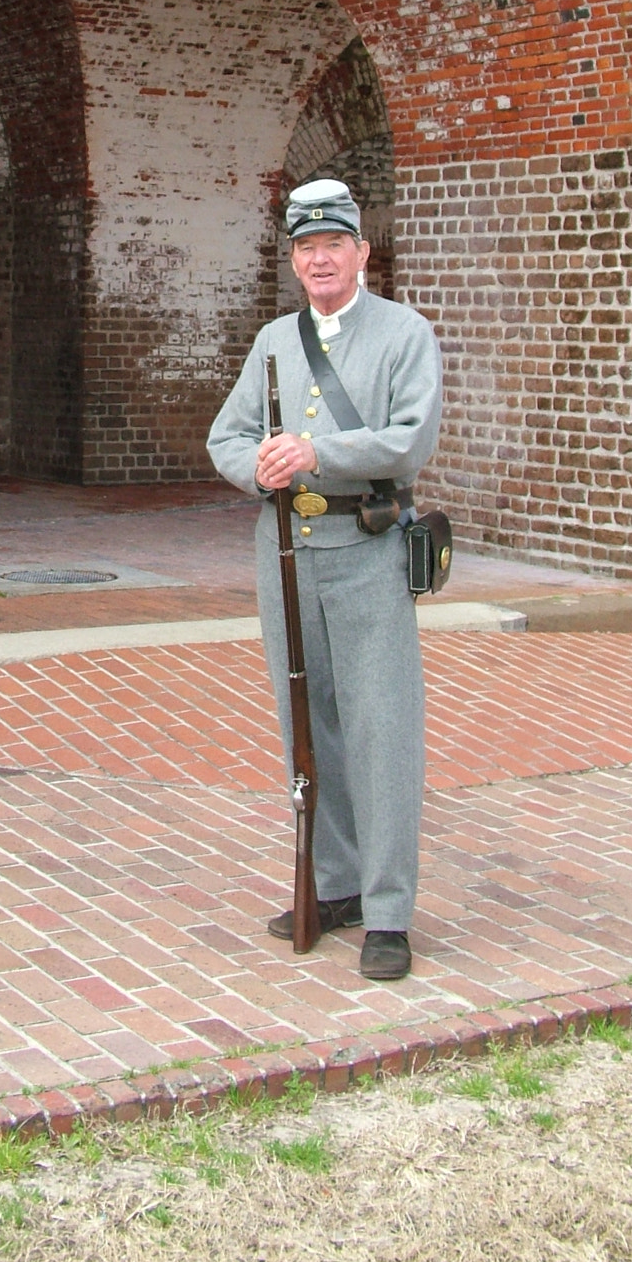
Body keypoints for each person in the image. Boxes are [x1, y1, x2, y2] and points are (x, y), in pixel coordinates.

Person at [206, 179, 443, 981]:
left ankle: (388, 910)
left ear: (361, 251)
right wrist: (262, 467)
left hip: (368, 550)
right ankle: (334, 884)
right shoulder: (275, 339)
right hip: (289, 553)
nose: (319, 260)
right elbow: (228, 434)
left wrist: (317, 453)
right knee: (308, 725)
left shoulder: (404, 334)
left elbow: (409, 442)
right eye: (305, 249)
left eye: (332, 245)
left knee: (382, 730)